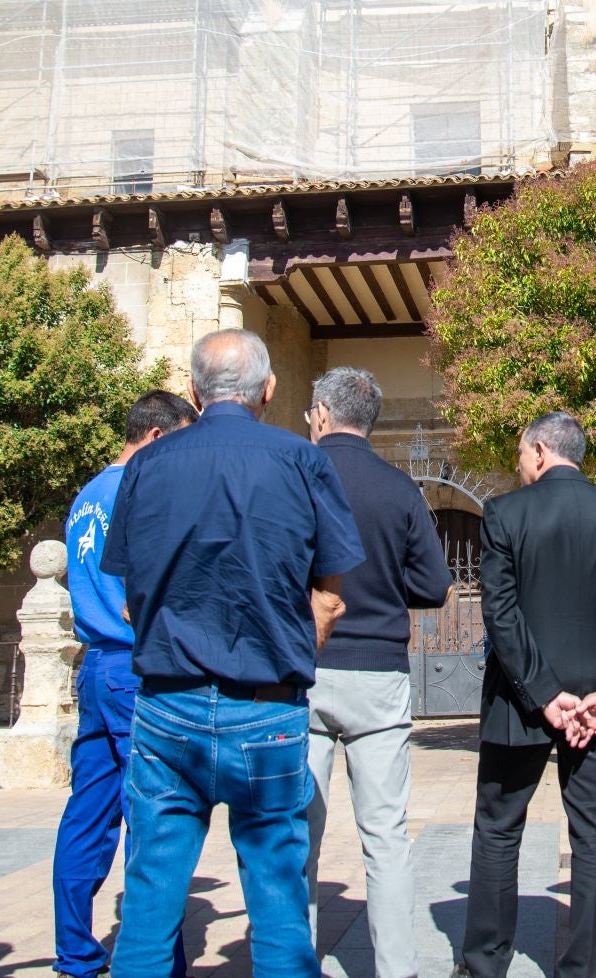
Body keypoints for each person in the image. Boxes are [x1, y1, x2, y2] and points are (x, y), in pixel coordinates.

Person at [103, 330, 365, 978]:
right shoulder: (300, 461)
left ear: (193, 391)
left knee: (149, 901)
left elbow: (131, 599)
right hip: (266, 707)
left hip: (167, 706)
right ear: (269, 390)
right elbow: (330, 596)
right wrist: (295, 646)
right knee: (278, 904)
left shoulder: (146, 466)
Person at [456, 411, 596, 978]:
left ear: (542, 451)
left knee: (498, 830)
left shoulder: (504, 513)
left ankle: (484, 964)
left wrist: (544, 694)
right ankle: (590, 969)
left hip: (519, 702)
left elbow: (500, 612)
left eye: (521, 453)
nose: (518, 465)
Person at [303, 367, 454, 978]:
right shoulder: (400, 490)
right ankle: (397, 968)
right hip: (378, 673)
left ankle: (292, 961)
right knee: (385, 835)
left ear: (318, 412)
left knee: (296, 834)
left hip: (307, 667)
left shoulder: (300, 476)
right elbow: (437, 584)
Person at [51, 389, 199, 978]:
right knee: (155, 817)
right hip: (138, 668)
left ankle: (75, 950)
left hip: (96, 667)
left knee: (87, 812)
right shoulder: (142, 491)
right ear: (159, 438)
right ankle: (159, 961)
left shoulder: (87, 494)